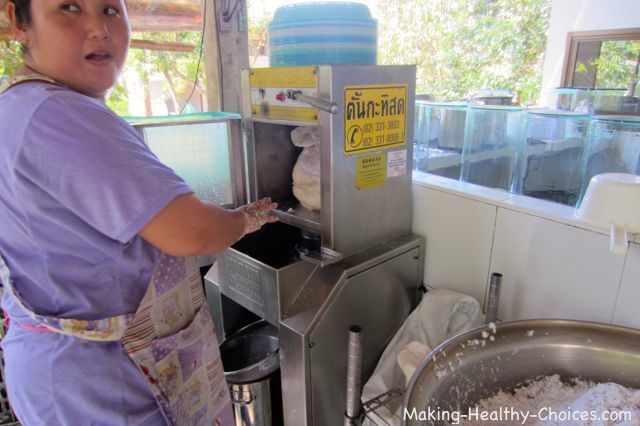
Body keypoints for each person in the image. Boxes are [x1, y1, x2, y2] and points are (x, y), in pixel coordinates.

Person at [0, 0, 277, 424]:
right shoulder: (57, 113)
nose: (99, 28)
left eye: (111, 8)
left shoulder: (18, 107)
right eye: (69, 7)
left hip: (61, 367)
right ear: (19, 20)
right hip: (102, 383)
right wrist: (245, 218)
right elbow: (191, 231)